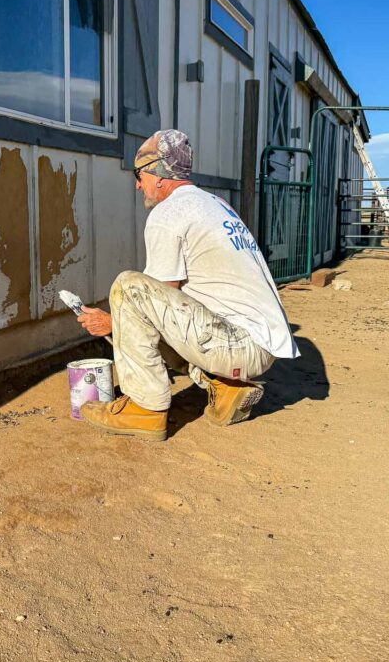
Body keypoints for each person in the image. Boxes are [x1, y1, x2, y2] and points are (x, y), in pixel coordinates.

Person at [77, 129, 298, 441]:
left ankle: (145, 410)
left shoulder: (169, 212)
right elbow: (173, 309)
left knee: (128, 288)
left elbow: (154, 306)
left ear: (159, 174)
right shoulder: (214, 204)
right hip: (259, 346)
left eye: (139, 175)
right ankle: (226, 387)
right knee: (152, 308)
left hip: (235, 345)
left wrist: (113, 325)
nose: (138, 184)